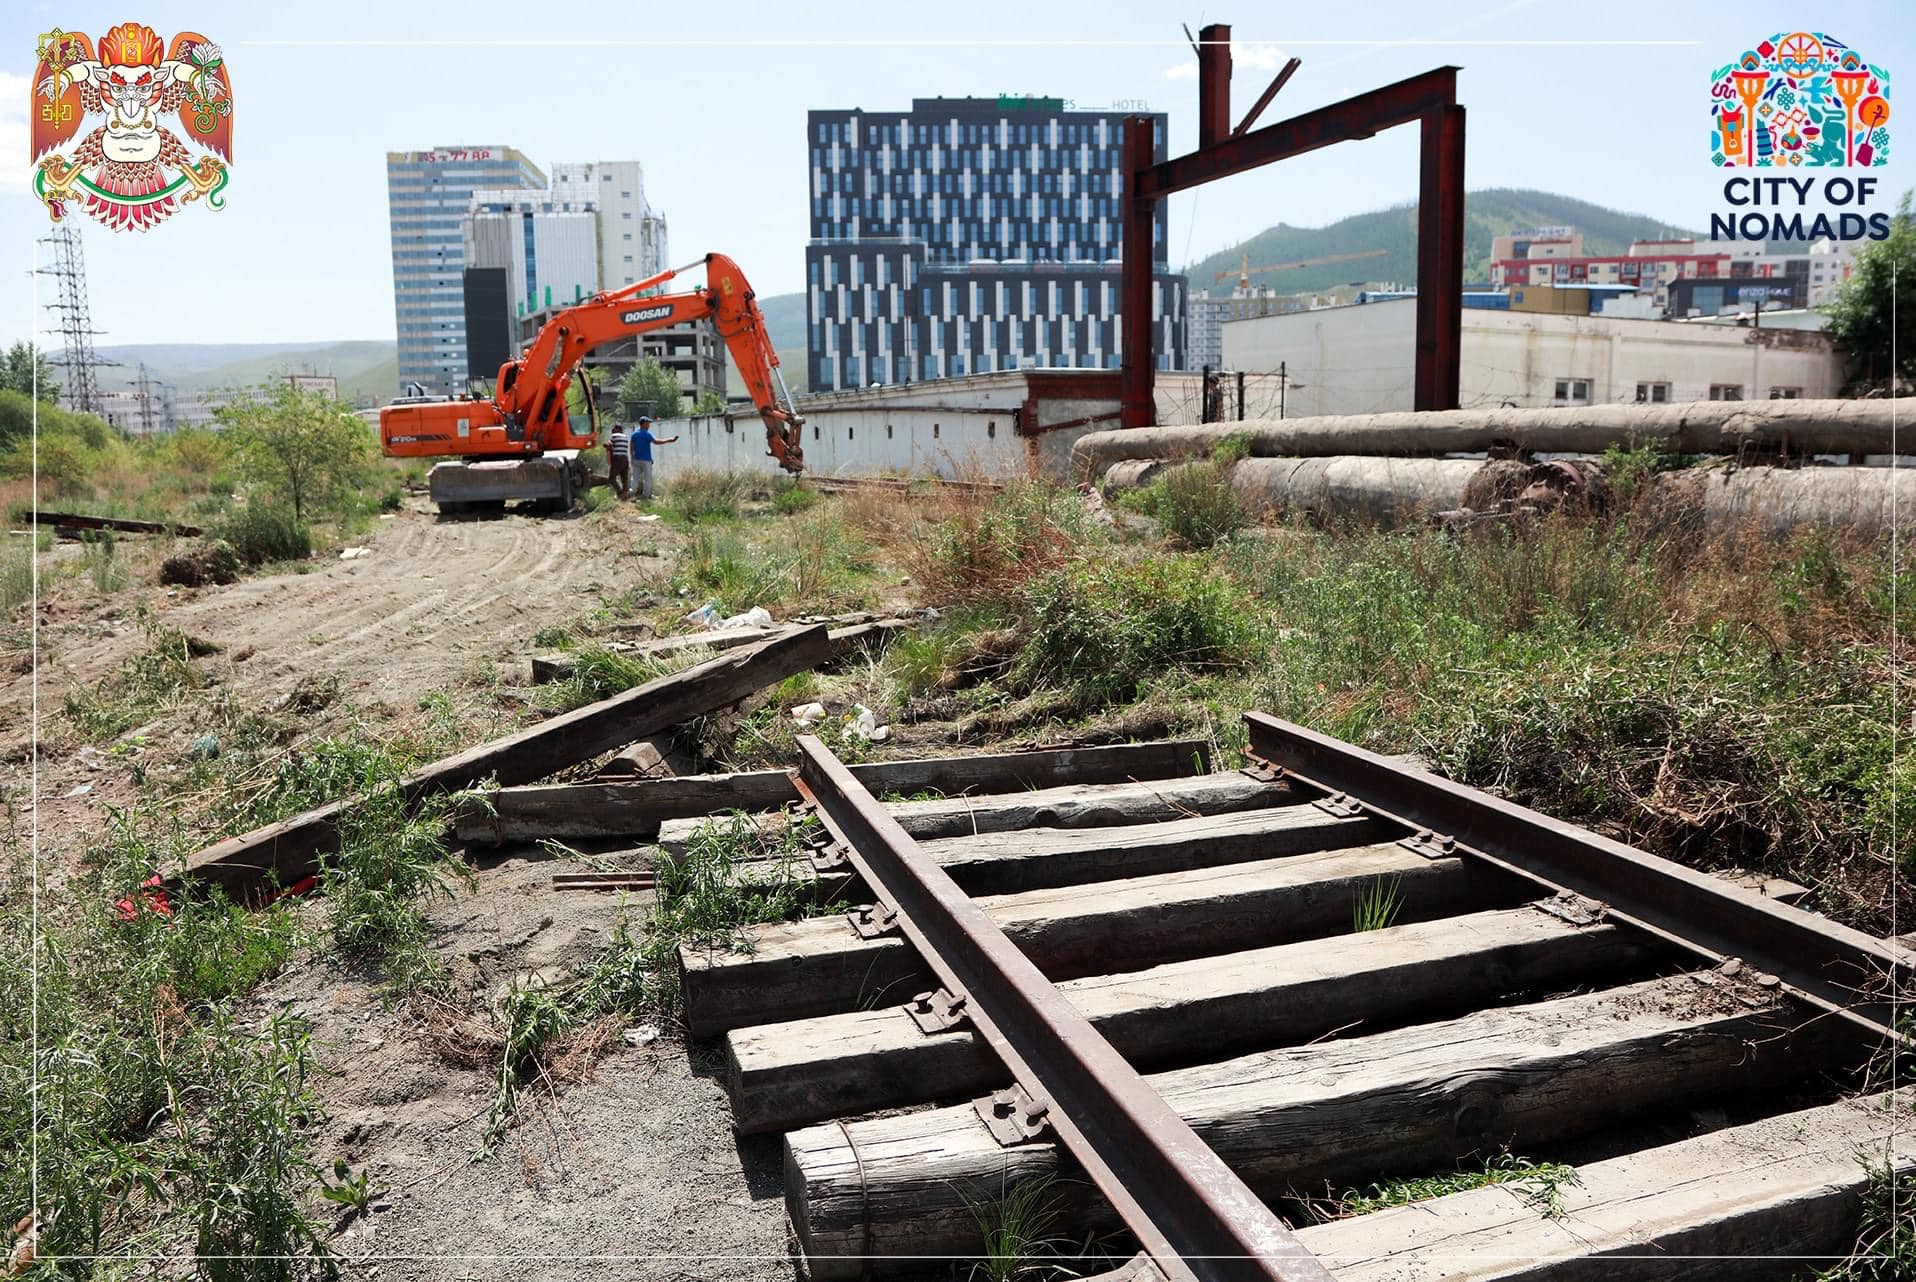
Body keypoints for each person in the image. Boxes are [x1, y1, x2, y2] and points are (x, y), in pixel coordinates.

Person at [629, 414, 678, 502]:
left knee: (635, 477)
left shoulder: (634, 434)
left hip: (636, 459)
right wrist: (668, 440)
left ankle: (632, 493)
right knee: (647, 478)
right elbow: (656, 442)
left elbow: (631, 447)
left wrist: (632, 458)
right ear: (643, 424)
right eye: (648, 423)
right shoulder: (647, 434)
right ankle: (646, 495)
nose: (649, 425)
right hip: (646, 460)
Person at [605, 421, 632, 499]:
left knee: (611, 478)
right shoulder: (625, 437)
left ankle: (619, 493)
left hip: (617, 459)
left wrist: (606, 447)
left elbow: (608, 445)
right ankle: (625, 495)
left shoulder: (614, 436)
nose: (612, 430)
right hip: (625, 459)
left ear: (617, 429)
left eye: (614, 428)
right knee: (624, 479)